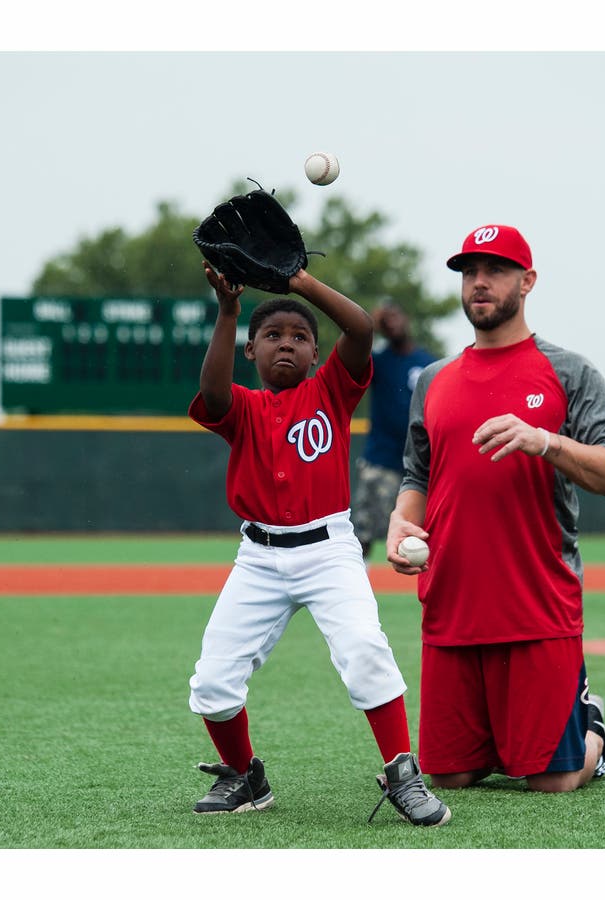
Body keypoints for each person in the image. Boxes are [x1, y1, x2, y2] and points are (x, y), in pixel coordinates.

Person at [186, 260, 450, 827]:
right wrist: (229, 311)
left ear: (315, 353)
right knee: (212, 682)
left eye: (300, 337)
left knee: (364, 651)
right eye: (272, 336)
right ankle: (245, 776)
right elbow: (210, 392)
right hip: (258, 557)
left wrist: (299, 282)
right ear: (250, 350)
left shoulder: (333, 389)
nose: (287, 344)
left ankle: (403, 774)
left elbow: (359, 330)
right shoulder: (243, 408)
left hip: (328, 548)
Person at [385, 224, 605, 793]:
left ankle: (591, 731)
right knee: (450, 776)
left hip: (537, 603)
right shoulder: (433, 379)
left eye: (495, 270)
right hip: (453, 601)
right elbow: (417, 473)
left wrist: (546, 440)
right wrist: (402, 521)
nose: (479, 282)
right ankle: (521, 735)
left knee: (553, 779)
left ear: (527, 282)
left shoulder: (569, 372)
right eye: (469, 271)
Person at [352, 303, 438, 559]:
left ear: (406, 318)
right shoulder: (378, 361)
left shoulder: (429, 363)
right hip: (382, 459)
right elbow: (354, 354)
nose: (392, 322)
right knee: (363, 530)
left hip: (423, 464)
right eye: (385, 319)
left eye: (395, 315)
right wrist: (371, 328)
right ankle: (358, 582)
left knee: (433, 528)